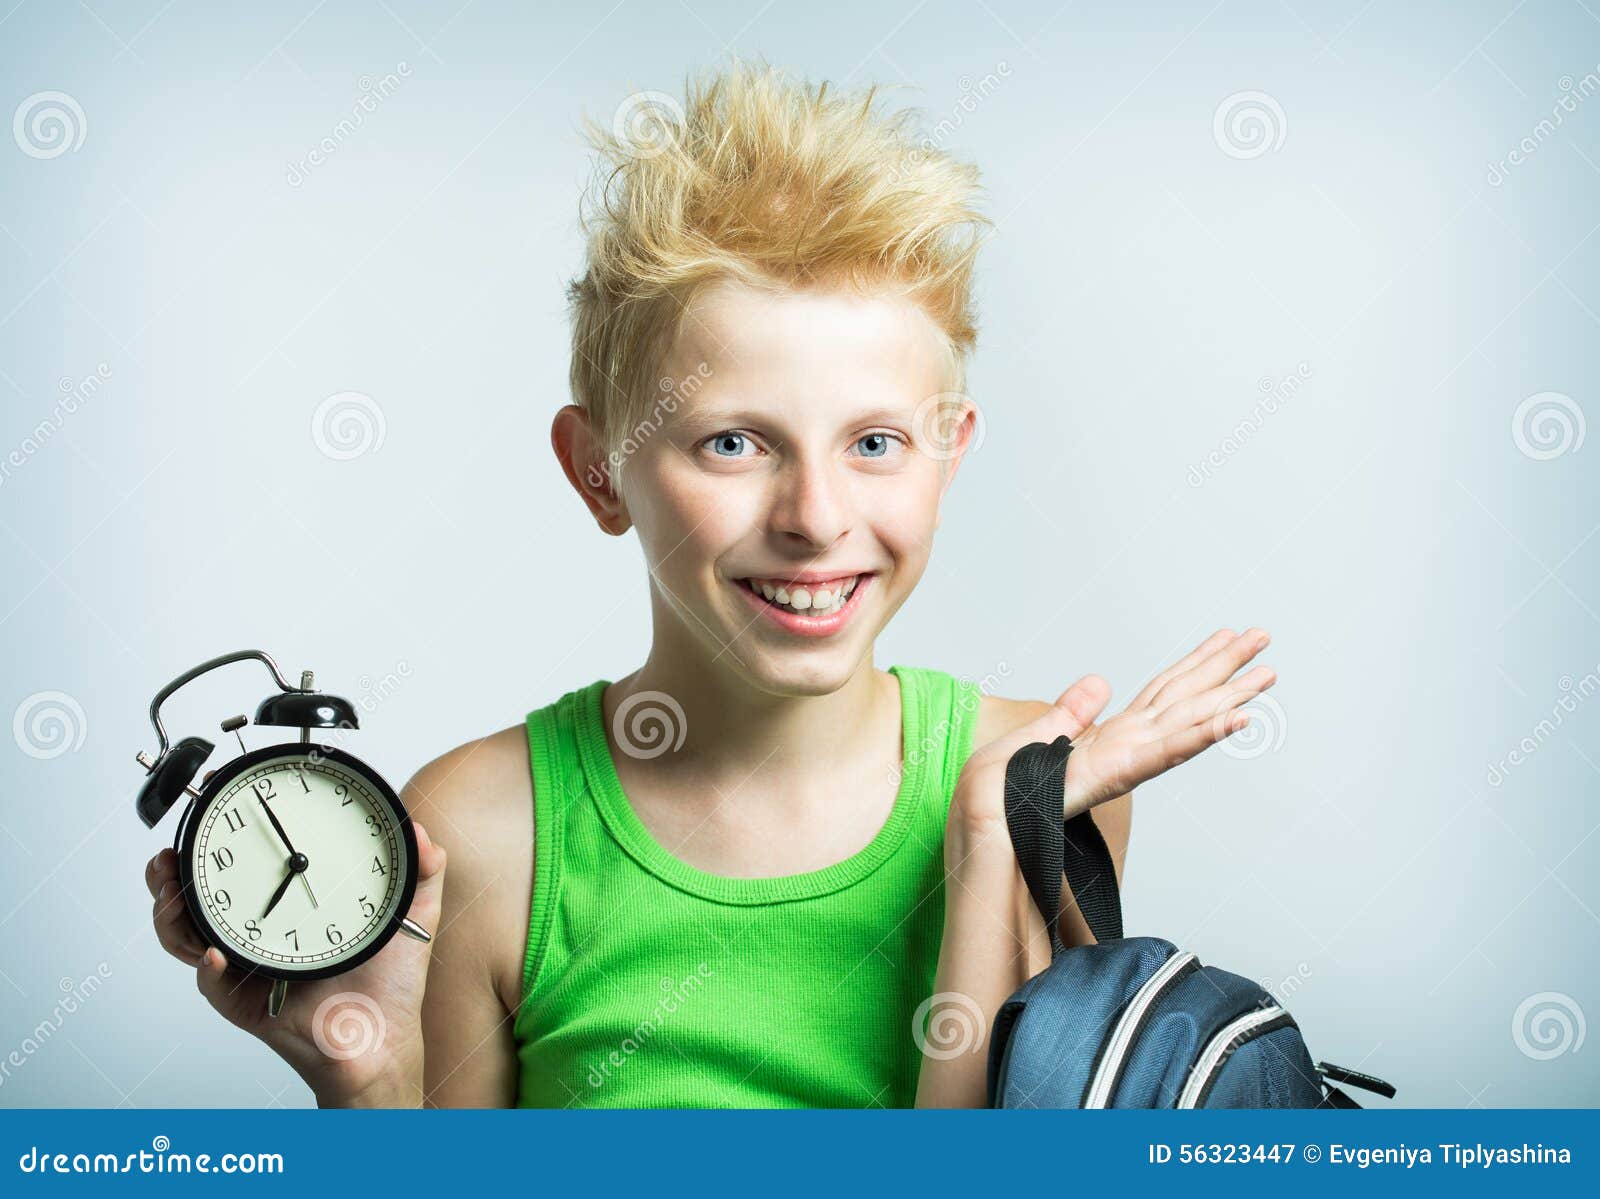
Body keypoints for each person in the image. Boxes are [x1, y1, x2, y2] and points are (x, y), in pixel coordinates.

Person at [143, 58, 1273, 1108]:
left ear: (951, 450)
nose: (816, 516)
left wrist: (991, 840)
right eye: (734, 443)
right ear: (599, 470)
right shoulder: (483, 833)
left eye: (875, 442)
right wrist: (369, 1081)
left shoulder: (1040, 781)